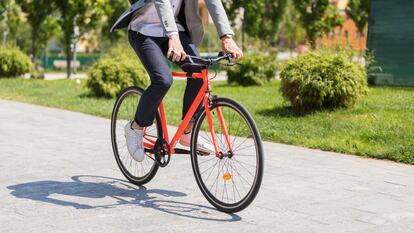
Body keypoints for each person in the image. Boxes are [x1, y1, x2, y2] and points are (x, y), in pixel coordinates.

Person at [122, 0, 243, 162]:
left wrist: (226, 36)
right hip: (144, 30)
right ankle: (135, 126)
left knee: (200, 74)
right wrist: (173, 36)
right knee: (163, 80)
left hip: (176, 31)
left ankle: (188, 132)